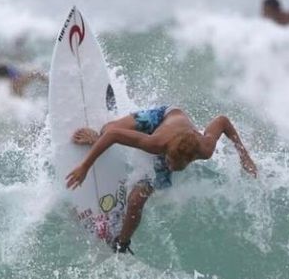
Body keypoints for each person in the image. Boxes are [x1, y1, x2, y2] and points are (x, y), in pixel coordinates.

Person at [65, 107, 257, 253]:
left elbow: (222, 121)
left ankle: (121, 244)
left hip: (175, 143)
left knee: (136, 201)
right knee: (108, 129)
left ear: (191, 159)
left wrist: (243, 154)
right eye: (169, 162)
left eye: (175, 166)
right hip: (163, 117)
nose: (170, 167)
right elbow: (114, 136)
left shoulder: (205, 149)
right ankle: (97, 137)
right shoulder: (155, 144)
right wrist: (85, 166)